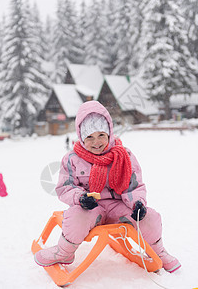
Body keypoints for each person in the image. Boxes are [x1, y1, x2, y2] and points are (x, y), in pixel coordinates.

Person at [34, 101, 181, 273]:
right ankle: (64, 252)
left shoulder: (124, 155)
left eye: (101, 135)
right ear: (81, 137)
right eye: (89, 137)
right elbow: (65, 187)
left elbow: (134, 186)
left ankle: (159, 252)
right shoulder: (72, 158)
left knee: (149, 217)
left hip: (119, 207)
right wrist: (81, 198)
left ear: (110, 132)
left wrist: (137, 203)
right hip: (91, 209)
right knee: (74, 216)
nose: (96, 142)